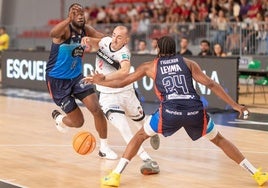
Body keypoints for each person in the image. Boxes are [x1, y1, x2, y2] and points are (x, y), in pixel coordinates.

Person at [84, 36, 268, 187]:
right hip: (195, 111)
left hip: (169, 112)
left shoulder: (150, 66)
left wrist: (100, 80)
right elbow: (211, 84)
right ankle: (257, 174)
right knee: (220, 140)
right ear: (175, 49)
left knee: (139, 136)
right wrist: (236, 105)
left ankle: (115, 176)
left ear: (158, 50)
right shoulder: (188, 63)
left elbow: (122, 81)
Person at [81, 25, 160, 175]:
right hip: (107, 96)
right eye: (114, 35)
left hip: (126, 92)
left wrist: (103, 77)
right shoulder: (105, 41)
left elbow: (124, 71)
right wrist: (88, 39)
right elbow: (97, 42)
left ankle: (152, 132)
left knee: (140, 120)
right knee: (123, 127)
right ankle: (146, 159)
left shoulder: (124, 53)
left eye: (119, 37)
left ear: (125, 40)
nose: (115, 39)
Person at [45, 3, 117, 160]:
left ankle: (104, 148)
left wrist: (115, 41)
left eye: (81, 12)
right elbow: (52, 33)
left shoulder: (87, 30)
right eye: (74, 12)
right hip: (58, 81)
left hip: (77, 77)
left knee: (96, 109)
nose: (79, 14)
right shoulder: (64, 30)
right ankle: (60, 119)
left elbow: (103, 39)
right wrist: (67, 20)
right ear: (70, 15)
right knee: (78, 123)